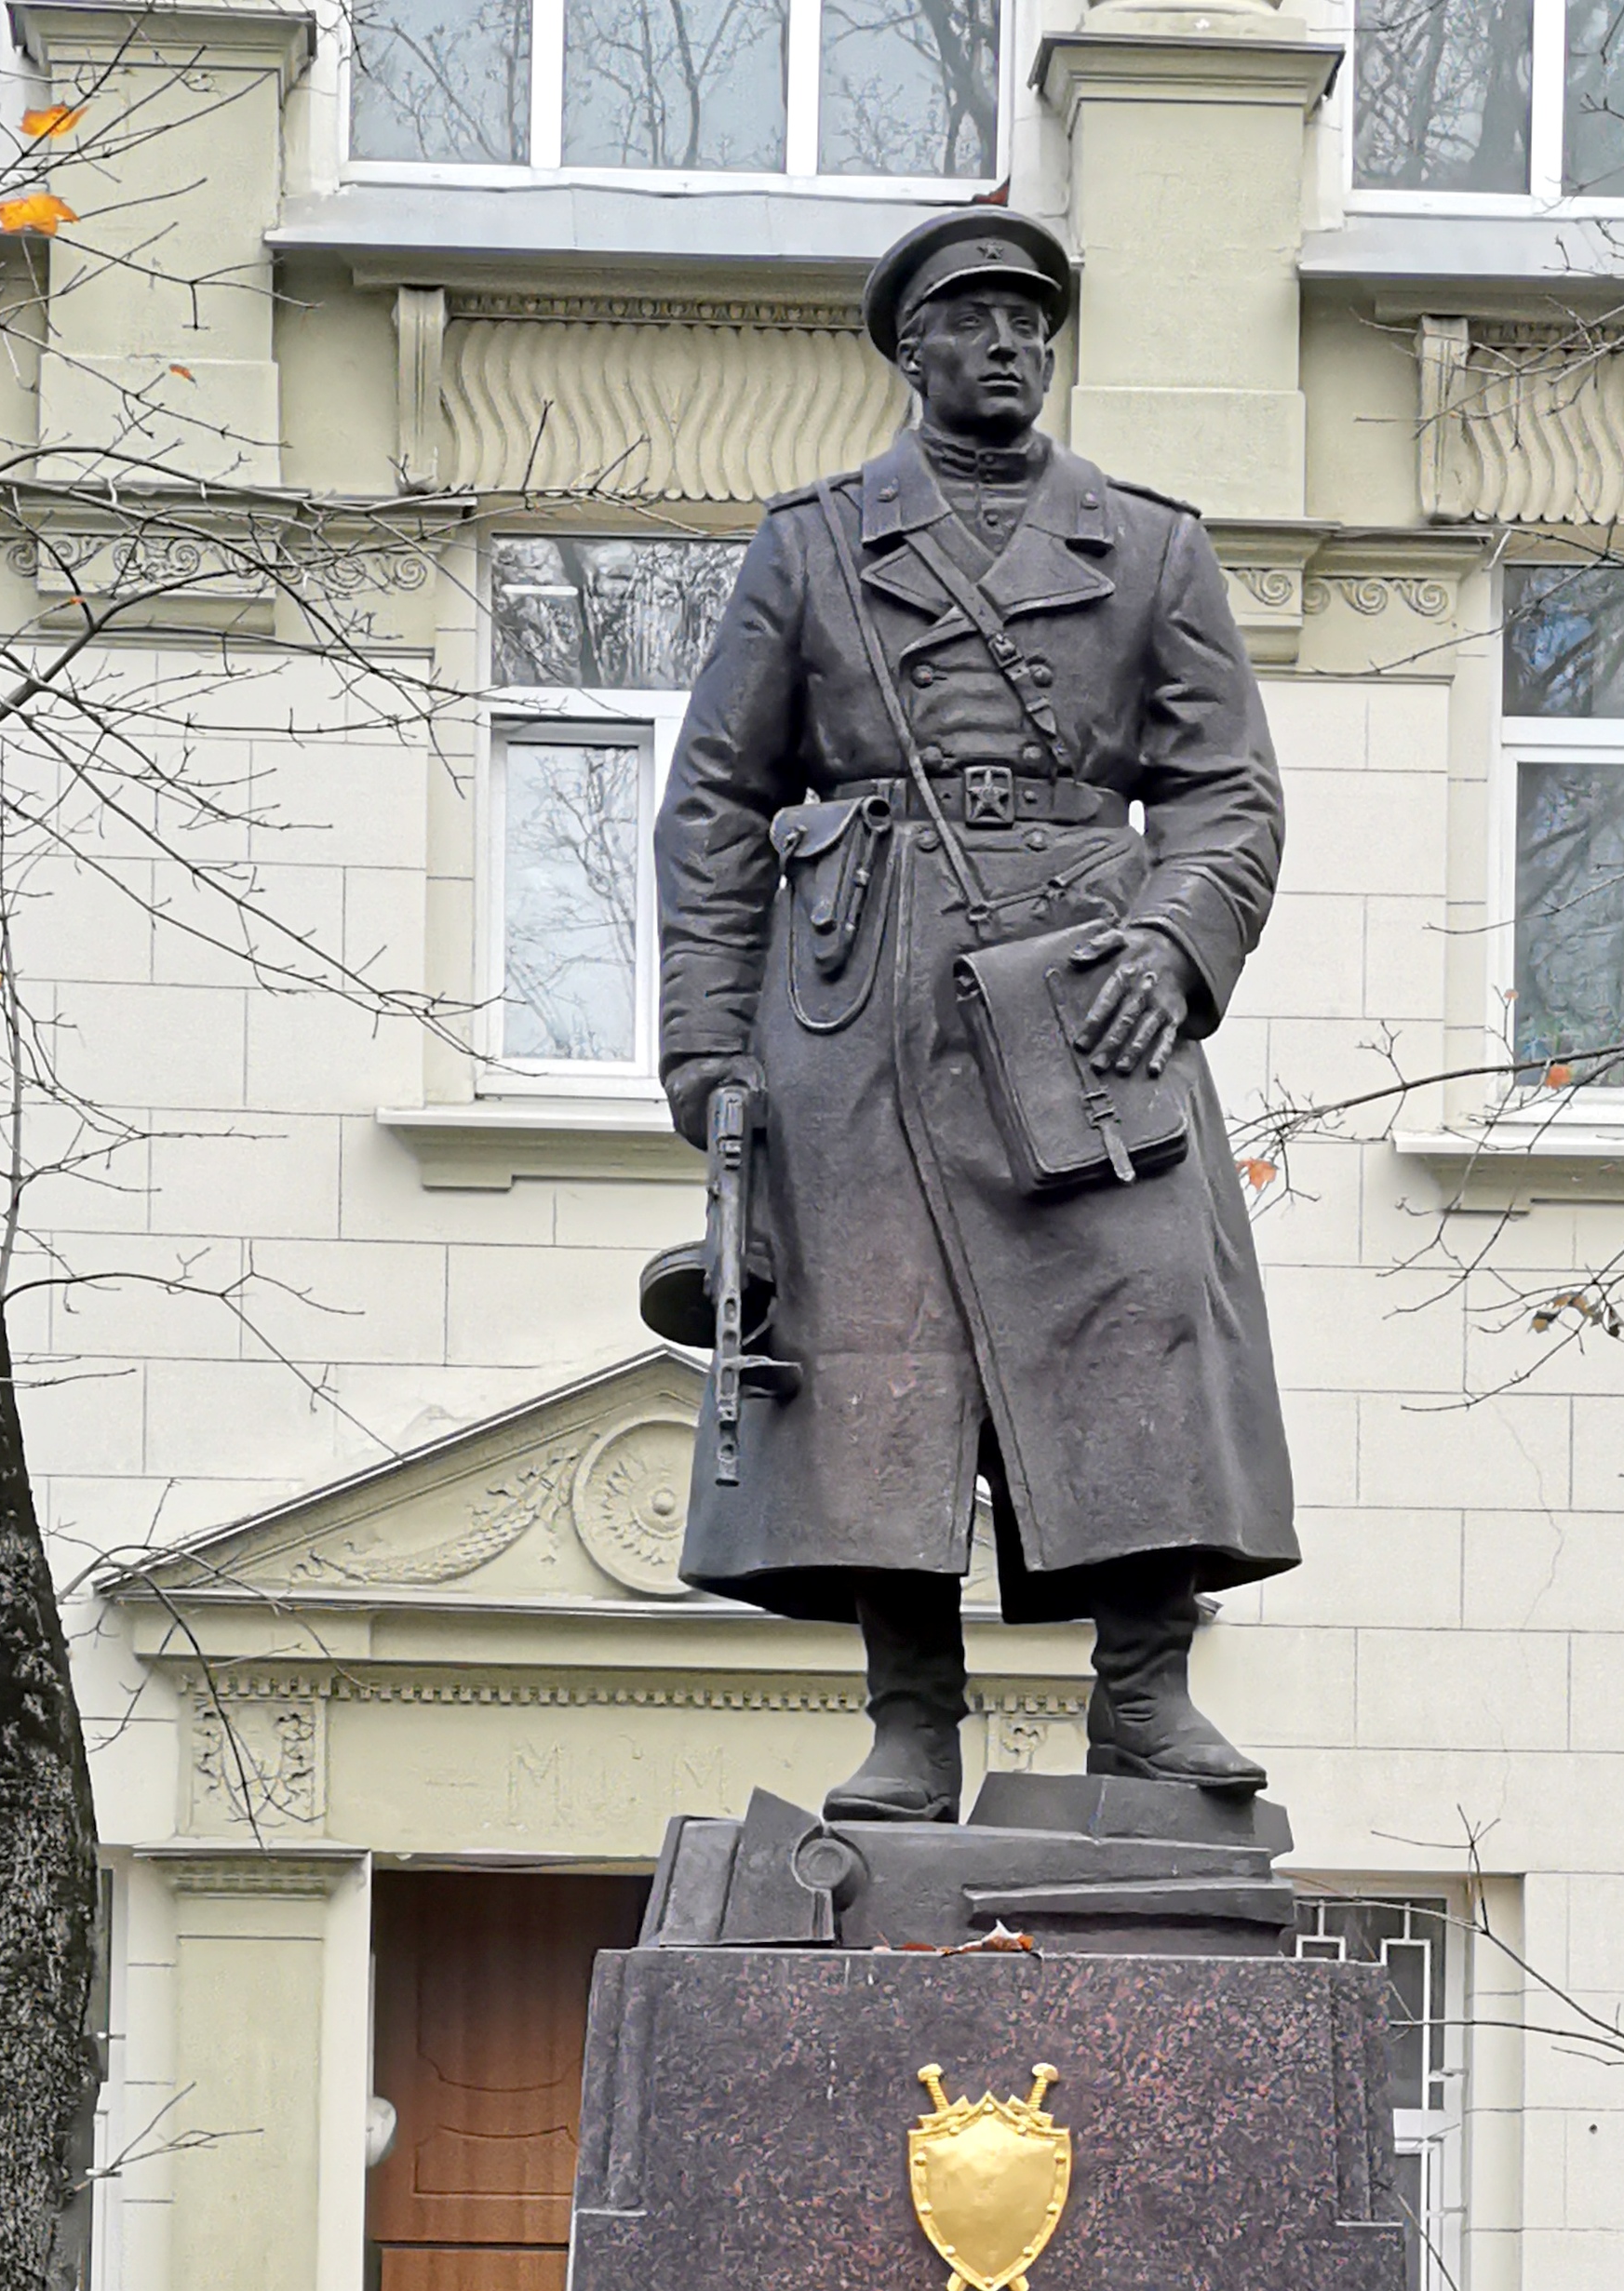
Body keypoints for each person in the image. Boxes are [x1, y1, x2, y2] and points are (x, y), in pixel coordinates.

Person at [648, 204, 1299, 1821]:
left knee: (1147, 1322)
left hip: (1088, 984)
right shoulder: (811, 546)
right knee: (885, 1351)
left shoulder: (1151, 546)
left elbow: (1226, 794)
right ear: (911, 350)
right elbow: (718, 801)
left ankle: (1146, 1700)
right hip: (859, 997)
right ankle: (911, 1722)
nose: (1009, 346)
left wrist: (1176, 943)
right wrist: (708, 1046)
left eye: (1032, 323)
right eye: (974, 321)